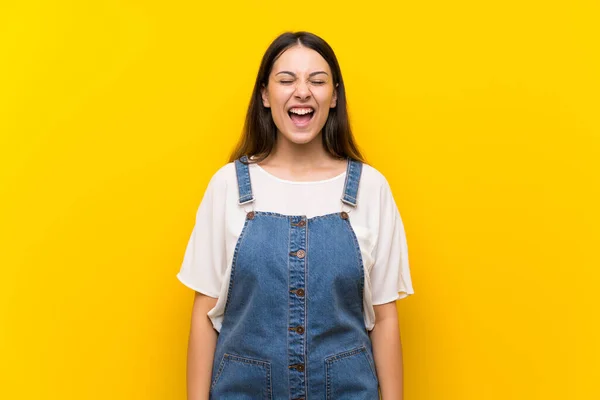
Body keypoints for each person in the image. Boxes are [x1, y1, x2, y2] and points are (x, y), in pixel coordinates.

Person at [177, 31, 414, 399]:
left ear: (334, 96)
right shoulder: (227, 187)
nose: (302, 91)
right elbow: (203, 315)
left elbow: (384, 319)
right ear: (265, 96)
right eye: (286, 80)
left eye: (316, 81)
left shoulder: (371, 188)